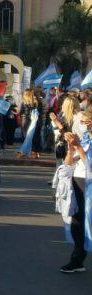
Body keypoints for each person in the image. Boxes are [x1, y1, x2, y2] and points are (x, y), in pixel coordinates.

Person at [60, 110, 92, 273]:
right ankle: (77, 259)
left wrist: (78, 147)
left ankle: (78, 258)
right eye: (82, 122)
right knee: (76, 222)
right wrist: (70, 149)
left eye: (85, 122)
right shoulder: (85, 139)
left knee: (87, 223)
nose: (83, 125)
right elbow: (69, 163)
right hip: (77, 181)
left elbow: (90, 165)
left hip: (89, 185)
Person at [18, 89, 44, 158]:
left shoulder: (24, 102)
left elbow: (20, 112)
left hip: (26, 121)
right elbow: (41, 112)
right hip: (36, 121)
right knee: (36, 136)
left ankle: (25, 152)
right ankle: (35, 152)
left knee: (27, 136)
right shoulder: (38, 102)